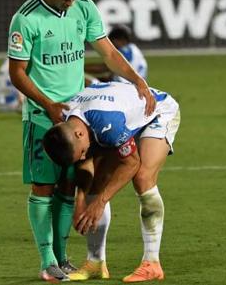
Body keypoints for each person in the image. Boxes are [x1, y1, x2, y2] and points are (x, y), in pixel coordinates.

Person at [7, 0, 155, 283]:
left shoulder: (84, 7)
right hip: (42, 117)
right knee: (43, 187)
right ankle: (47, 261)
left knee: (68, 186)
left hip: (77, 120)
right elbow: (16, 74)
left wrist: (137, 80)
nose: (70, 1)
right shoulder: (26, 19)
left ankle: (62, 258)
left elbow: (109, 53)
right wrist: (46, 104)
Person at [42, 81, 180, 283]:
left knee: (142, 178)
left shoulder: (107, 122)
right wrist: (80, 201)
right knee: (96, 182)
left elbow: (131, 163)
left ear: (79, 134)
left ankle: (152, 263)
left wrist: (100, 202)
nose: (81, 157)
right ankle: (95, 263)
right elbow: (85, 160)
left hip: (158, 111)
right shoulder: (67, 120)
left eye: (80, 152)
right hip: (120, 116)